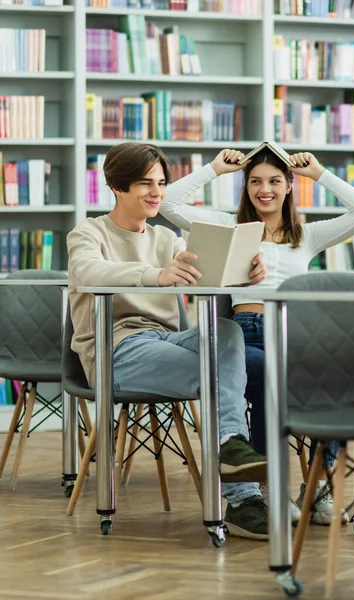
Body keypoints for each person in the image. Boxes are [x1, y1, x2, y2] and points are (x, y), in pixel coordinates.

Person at [159, 147, 354, 526]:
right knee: (268, 380)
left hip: (297, 334)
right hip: (247, 335)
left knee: (335, 377)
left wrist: (319, 173)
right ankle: (266, 488)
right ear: (246, 187)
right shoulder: (229, 226)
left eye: (275, 181)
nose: (265, 190)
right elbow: (169, 204)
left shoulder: (306, 236)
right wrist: (214, 169)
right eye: (256, 182)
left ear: (289, 185)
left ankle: (320, 488)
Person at [67, 141, 271, 542]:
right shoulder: (88, 233)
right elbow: (89, 271)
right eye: (145, 183)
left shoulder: (168, 237)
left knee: (227, 332)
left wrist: (244, 272)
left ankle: (230, 444)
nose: (156, 192)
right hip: (118, 349)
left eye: (161, 182)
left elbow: (204, 272)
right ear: (117, 186)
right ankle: (244, 497)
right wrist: (155, 276)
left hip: (168, 339)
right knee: (216, 370)